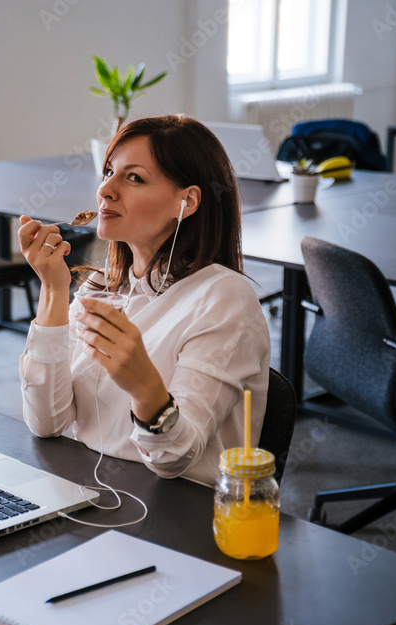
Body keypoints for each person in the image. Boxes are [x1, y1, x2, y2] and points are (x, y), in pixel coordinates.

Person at [17, 115, 271, 487]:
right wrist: (54, 290)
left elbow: (174, 460)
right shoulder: (102, 287)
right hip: (89, 492)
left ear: (186, 201)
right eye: (108, 172)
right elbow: (47, 422)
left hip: (174, 515)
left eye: (133, 177)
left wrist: (144, 386)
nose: (106, 190)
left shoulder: (224, 298)